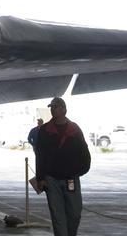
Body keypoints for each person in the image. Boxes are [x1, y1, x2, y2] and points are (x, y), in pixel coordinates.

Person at [33, 96, 92, 236]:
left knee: (75, 213)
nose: (53, 109)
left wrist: (80, 171)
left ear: (64, 109)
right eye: (51, 107)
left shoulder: (74, 129)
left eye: (56, 107)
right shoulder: (45, 130)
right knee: (57, 215)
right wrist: (41, 178)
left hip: (71, 179)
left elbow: (84, 152)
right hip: (51, 180)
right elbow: (40, 155)